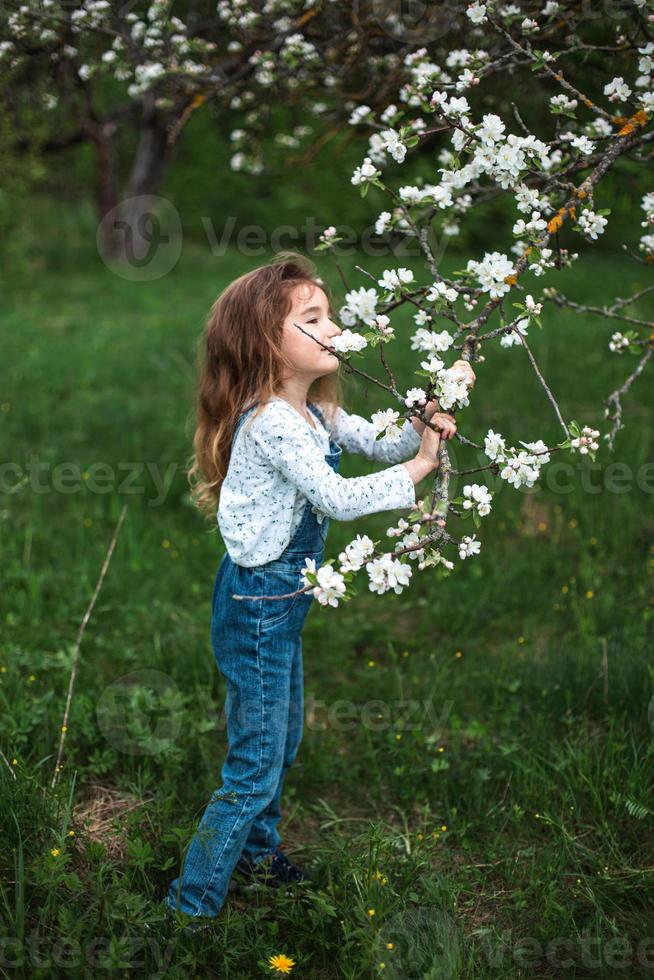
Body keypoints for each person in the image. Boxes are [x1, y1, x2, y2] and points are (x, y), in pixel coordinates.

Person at [164, 251, 474, 931]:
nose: (335, 329)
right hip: (258, 607)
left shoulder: (314, 414)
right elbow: (334, 498)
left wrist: (424, 423)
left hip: (281, 603)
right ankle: (187, 912)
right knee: (255, 763)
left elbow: (380, 445)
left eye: (330, 315)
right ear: (264, 344)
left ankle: (256, 856)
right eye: (314, 319)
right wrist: (425, 467)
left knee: (283, 737)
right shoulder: (273, 421)